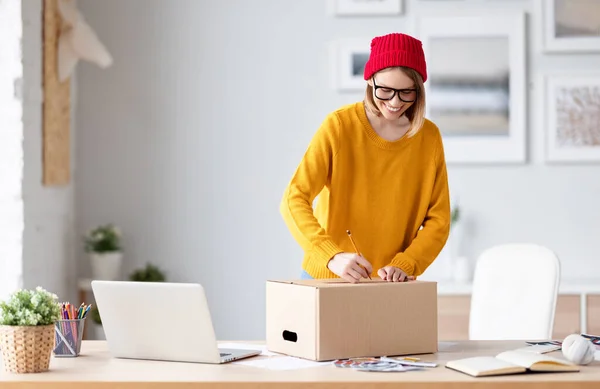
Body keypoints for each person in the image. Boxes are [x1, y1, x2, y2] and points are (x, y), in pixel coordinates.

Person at [280, 32, 451, 283]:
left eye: (406, 92)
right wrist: (331, 256)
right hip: (328, 278)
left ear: (418, 90)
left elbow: (439, 219)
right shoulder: (339, 126)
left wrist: (408, 262)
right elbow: (294, 198)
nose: (394, 102)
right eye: (385, 90)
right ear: (370, 81)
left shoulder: (429, 137)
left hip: (391, 285)